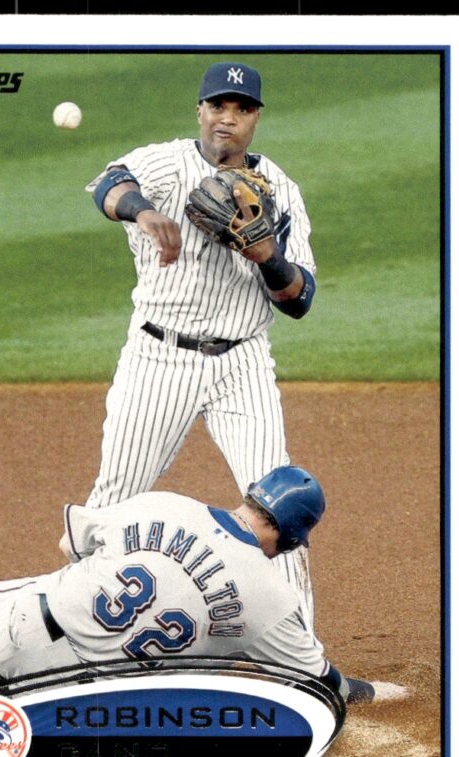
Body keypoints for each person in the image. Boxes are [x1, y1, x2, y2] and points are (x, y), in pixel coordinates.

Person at [83, 61, 320, 637]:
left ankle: (301, 658)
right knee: (115, 501)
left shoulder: (281, 189)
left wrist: (269, 257)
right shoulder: (167, 162)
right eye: (218, 106)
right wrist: (145, 211)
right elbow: (111, 184)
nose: (227, 119)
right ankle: (74, 634)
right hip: (159, 358)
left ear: (256, 118)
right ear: (200, 110)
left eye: (241, 109)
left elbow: (298, 298)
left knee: (279, 506)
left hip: (243, 362)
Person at [0, 466, 375, 703]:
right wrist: (368, 691)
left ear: (251, 495)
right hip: (71, 696)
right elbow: (321, 684)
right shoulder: (272, 603)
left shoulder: (165, 503)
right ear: (294, 541)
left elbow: (70, 544)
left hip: (19, 625)